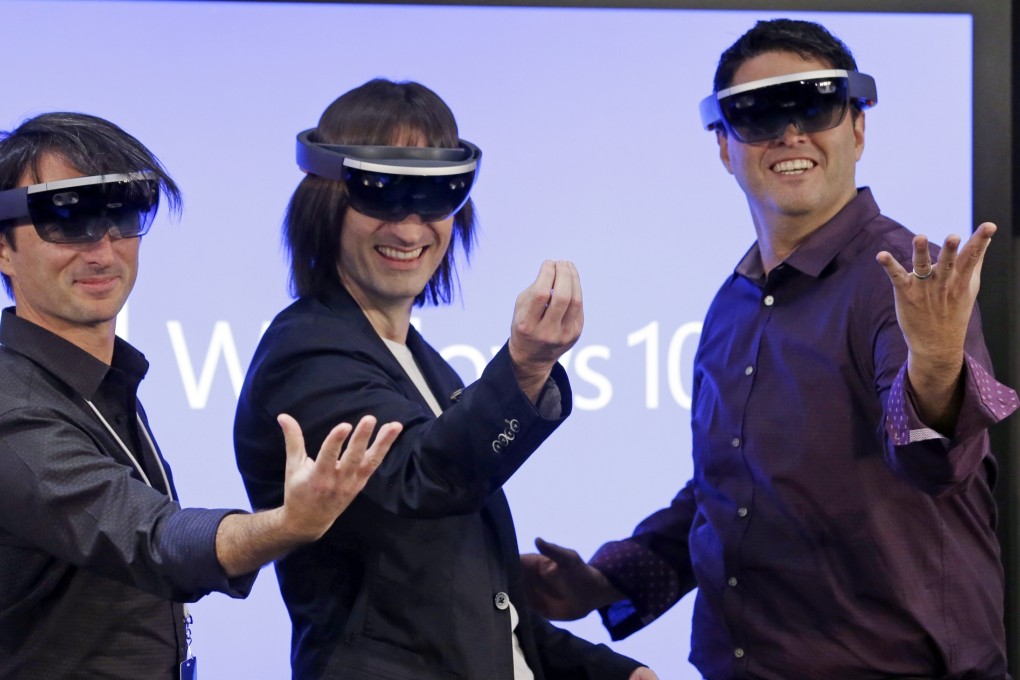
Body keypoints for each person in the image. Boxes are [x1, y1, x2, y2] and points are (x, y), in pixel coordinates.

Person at [520, 18, 1020, 678]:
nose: (790, 134)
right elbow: (727, 497)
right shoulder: (734, 301)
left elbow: (934, 463)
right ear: (725, 147)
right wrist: (604, 584)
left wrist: (934, 364)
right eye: (758, 115)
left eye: (813, 106)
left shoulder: (896, 276)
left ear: (858, 129)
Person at [233, 79, 656, 680]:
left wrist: (615, 674)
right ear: (324, 203)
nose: (409, 229)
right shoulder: (305, 354)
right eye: (381, 194)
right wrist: (527, 367)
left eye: (434, 197)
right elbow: (423, 477)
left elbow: (477, 622)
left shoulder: (420, 361)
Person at [0, 112, 402, 680]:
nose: (103, 251)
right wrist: (286, 525)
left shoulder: (100, 381)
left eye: (123, 214)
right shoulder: (12, 407)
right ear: (3, 248)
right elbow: (151, 538)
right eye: (67, 220)